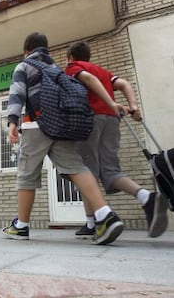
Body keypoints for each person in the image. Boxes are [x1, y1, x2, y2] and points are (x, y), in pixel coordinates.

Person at [2, 32, 125, 245]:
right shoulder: (56, 69)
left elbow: (17, 94)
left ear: (26, 51)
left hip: (36, 124)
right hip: (61, 125)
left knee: (26, 173)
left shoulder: (24, 66)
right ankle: (105, 215)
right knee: (77, 167)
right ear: (46, 50)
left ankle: (21, 226)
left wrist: (12, 122)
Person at [65, 41, 168, 238]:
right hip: (112, 121)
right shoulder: (103, 71)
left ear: (71, 57)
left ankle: (93, 222)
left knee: (86, 173)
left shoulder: (73, 68)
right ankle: (146, 197)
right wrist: (133, 105)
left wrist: (110, 102)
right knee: (110, 171)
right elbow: (124, 84)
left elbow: (87, 79)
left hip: (90, 120)